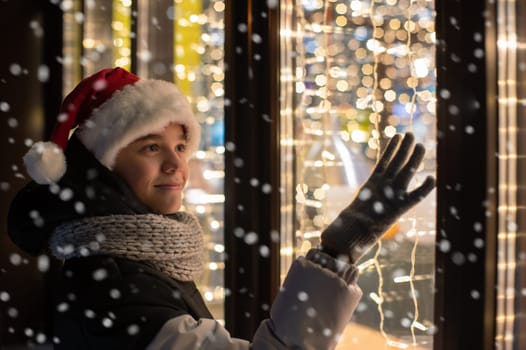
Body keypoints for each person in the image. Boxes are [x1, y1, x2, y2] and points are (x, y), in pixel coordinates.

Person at [7, 67, 435, 349]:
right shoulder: (113, 287)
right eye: (151, 147)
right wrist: (338, 250)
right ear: (102, 165)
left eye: (180, 146)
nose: (176, 164)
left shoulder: (115, 257)